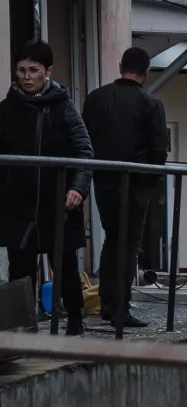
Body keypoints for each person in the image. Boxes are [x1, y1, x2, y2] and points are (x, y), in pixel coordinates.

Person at [0, 41, 93, 335]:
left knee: (64, 265)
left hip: (58, 202)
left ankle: (75, 321)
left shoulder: (63, 107)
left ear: (48, 72)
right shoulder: (6, 110)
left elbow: (84, 150)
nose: (26, 77)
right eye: (21, 70)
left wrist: (78, 188)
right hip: (17, 202)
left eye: (34, 71)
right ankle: (23, 330)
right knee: (21, 269)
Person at [83, 46, 168, 328]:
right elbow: (158, 151)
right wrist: (150, 181)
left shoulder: (95, 98)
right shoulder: (150, 104)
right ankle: (120, 308)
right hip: (135, 183)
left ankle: (108, 303)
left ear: (120, 66)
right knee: (129, 244)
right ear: (147, 72)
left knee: (111, 239)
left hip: (103, 180)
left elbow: (85, 140)